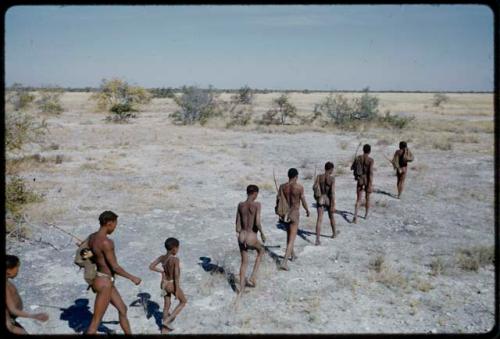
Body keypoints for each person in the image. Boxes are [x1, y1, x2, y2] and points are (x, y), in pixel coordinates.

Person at [86, 211, 142, 334]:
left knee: (123, 309)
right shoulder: (107, 242)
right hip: (105, 283)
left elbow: (89, 254)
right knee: (95, 323)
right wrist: (132, 278)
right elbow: (115, 267)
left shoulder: (92, 237)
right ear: (109, 223)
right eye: (115, 224)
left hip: (103, 280)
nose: (115, 227)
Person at [233, 185, 266, 301]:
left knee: (244, 262)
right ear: (255, 193)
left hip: (241, 235)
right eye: (257, 194)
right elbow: (257, 222)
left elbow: (237, 226)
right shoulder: (257, 205)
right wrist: (262, 233)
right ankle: (253, 276)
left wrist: (242, 234)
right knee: (261, 250)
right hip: (251, 235)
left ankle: (241, 290)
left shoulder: (240, 205)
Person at [149, 237, 187, 333]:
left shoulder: (162, 258)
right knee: (183, 302)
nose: (178, 250)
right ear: (174, 248)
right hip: (171, 284)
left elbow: (151, 266)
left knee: (166, 305)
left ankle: (164, 330)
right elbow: (176, 275)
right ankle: (167, 321)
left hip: (163, 284)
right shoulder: (175, 259)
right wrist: (177, 290)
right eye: (178, 248)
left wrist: (162, 271)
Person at [6, 255, 49, 334]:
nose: (18, 271)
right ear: (8, 270)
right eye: (17, 268)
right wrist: (34, 316)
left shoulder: (7, 282)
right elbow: (12, 311)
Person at [277, 168, 310, 271]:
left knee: (288, 235)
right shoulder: (299, 187)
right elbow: (303, 200)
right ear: (296, 176)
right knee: (292, 239)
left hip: (285, 214)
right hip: (294, 213)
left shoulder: (282, 187)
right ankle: (284, 262)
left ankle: (293, 255)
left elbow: (278, 200)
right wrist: (307, 209)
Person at [313, 161, 337, 245]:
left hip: (320, 199)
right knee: (331, 217)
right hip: (328, 200)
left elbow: (315, 188)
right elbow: (333, 193)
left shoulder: (319, 177)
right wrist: (333, 205)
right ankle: (334, 233)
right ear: (330, 169)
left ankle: (317, 239)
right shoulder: (332, 179)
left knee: (319, 219)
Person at [351, 144, 374, 223]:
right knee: (367, 198)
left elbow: (352, 168)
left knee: (358, 199)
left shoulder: (358, 158)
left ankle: (355, 216)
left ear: (363, 150)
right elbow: (370, 173)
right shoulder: (370, 160)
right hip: (367, 180)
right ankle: (366, 215)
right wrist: (370, 184)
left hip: (360, 179)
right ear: (370, 151)